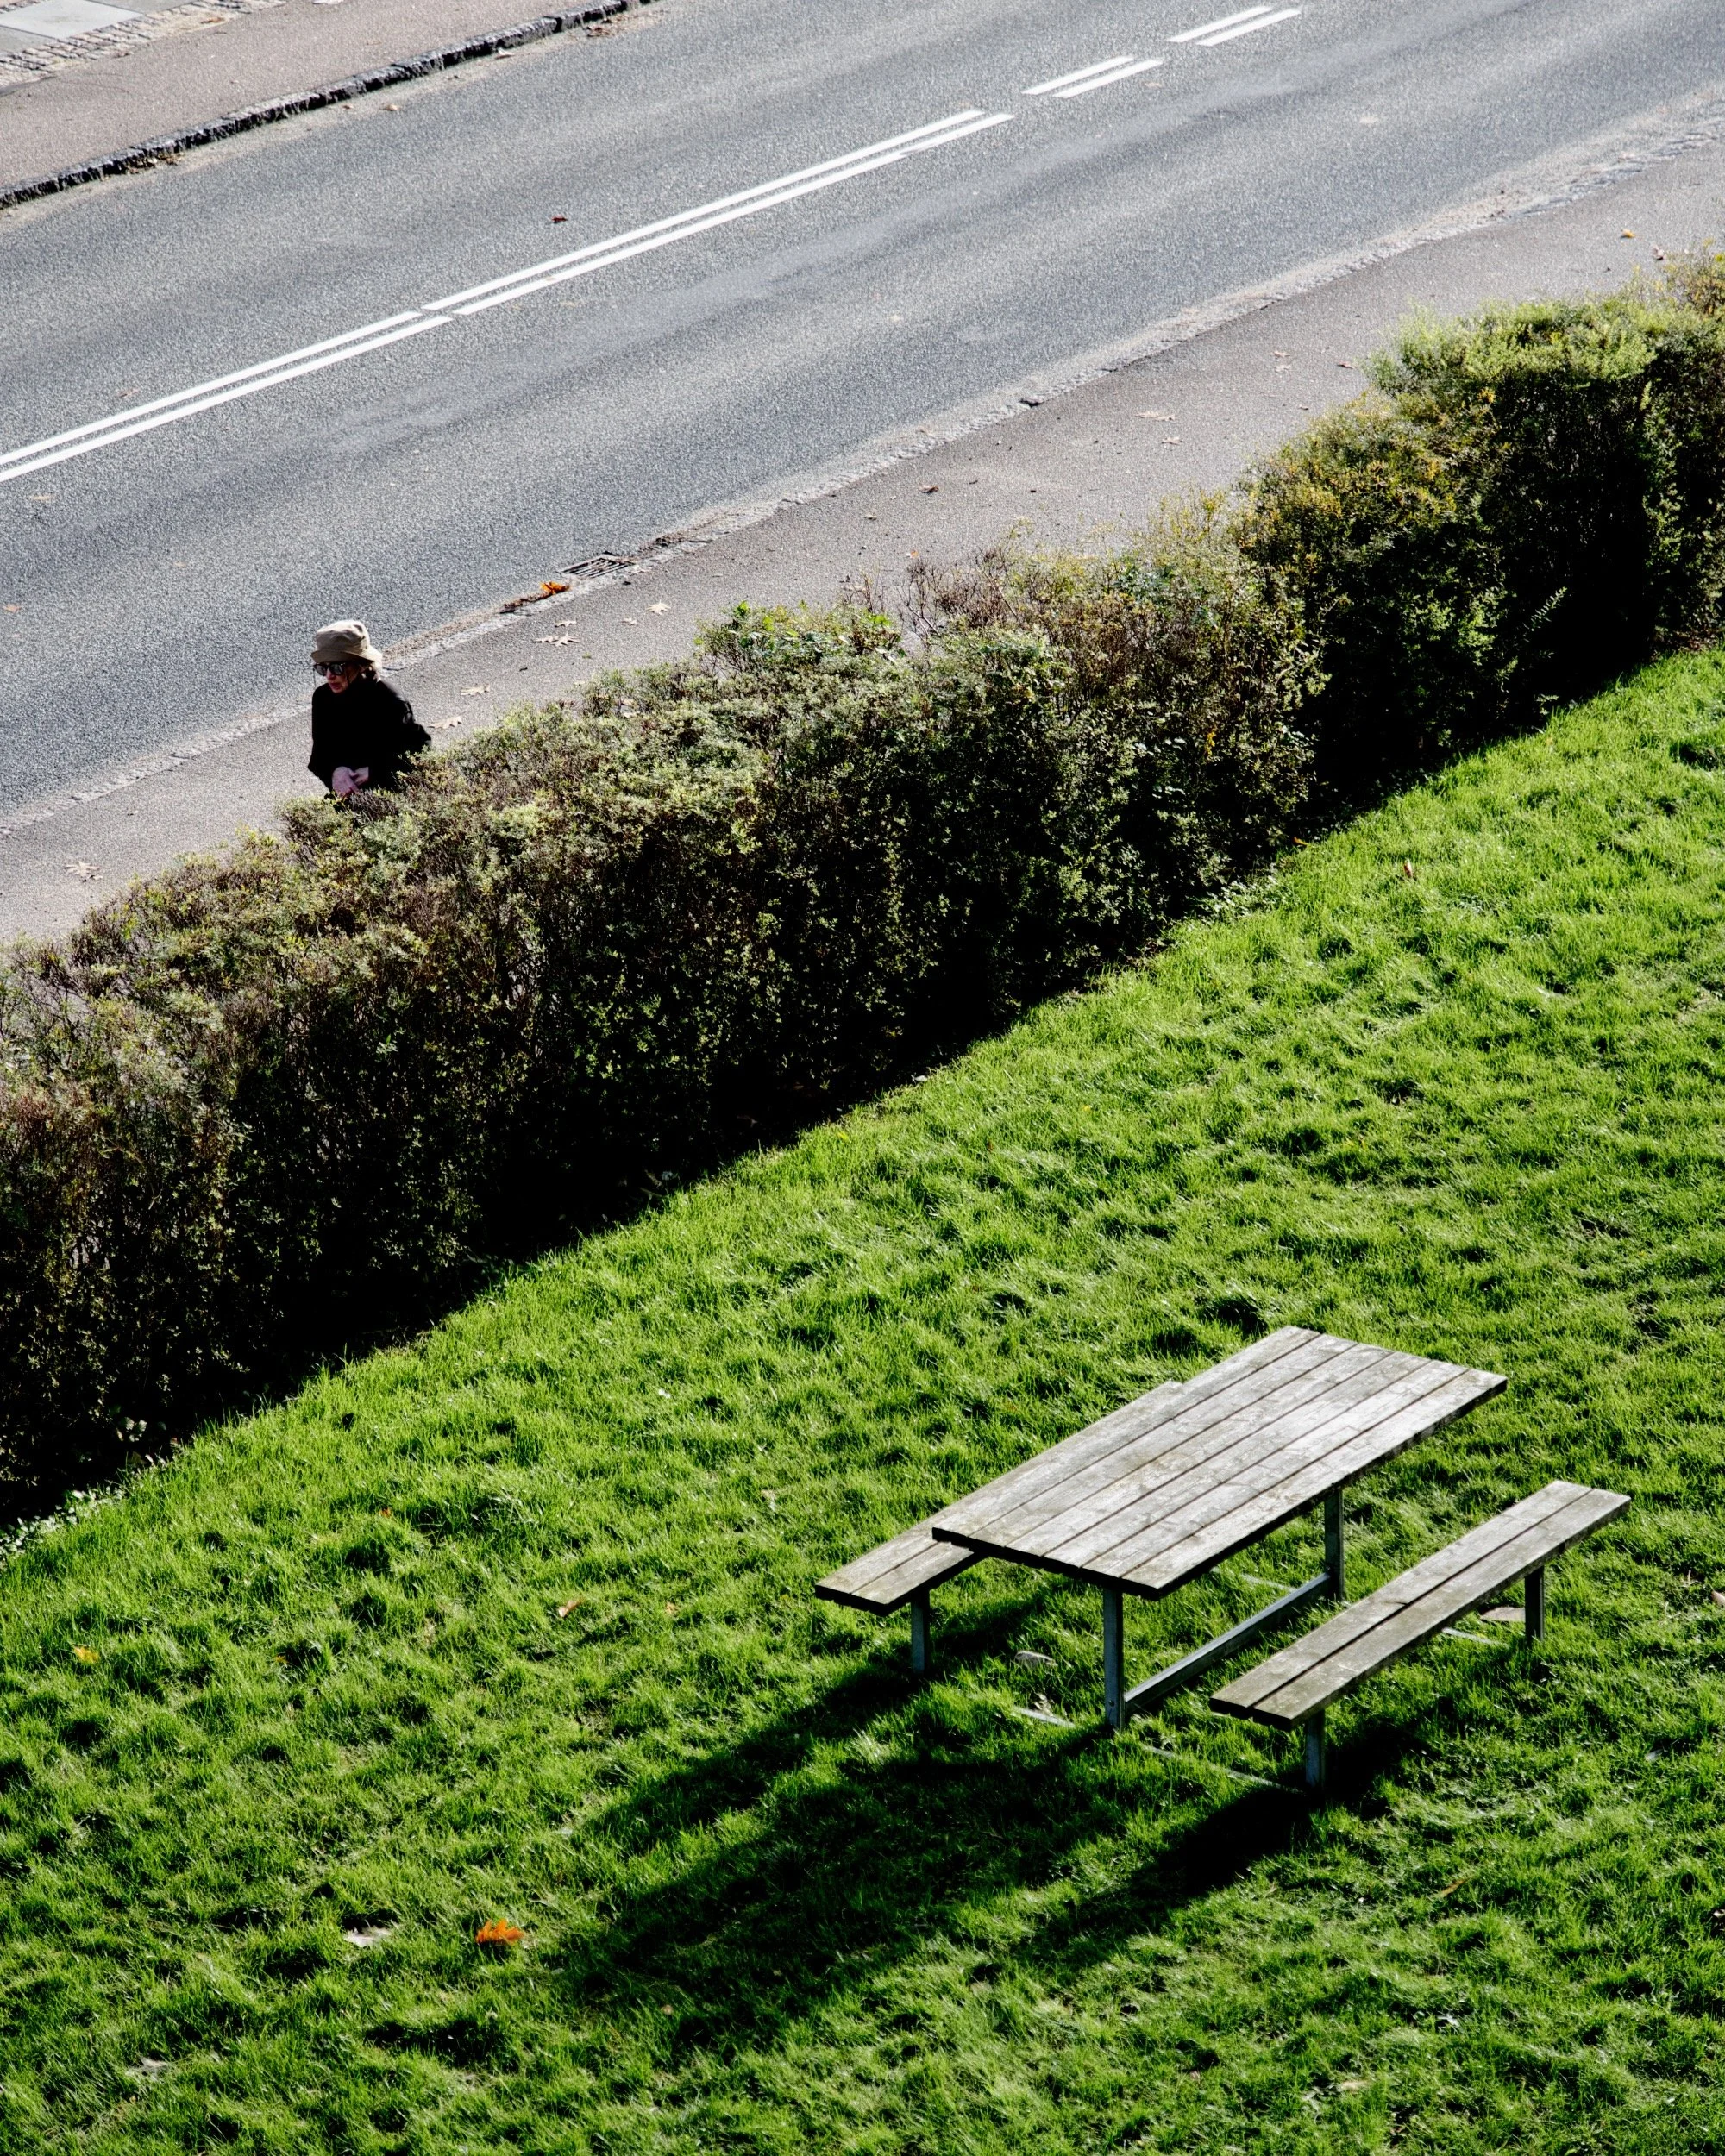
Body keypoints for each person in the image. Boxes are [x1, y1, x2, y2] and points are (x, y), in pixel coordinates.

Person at [307, 620, 430, 799]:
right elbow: (321, 755)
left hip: (391, 792)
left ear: (360, 665)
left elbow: (419, 753)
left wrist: (375, 771)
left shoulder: (390, 700)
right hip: (347, 794)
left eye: (337, 668)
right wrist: (335, 771)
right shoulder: (323, 698)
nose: (329, 676)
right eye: (323, 668)